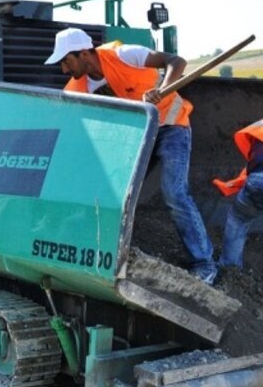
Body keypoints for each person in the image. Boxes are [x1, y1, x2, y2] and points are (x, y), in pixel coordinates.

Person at [45, 28, 218, 284]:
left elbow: (176, 61)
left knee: (174, 192)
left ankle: (204, 263)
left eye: (66, 61)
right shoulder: (76, 89)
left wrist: (164, 87)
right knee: (114, 194)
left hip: (171, 124)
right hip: (137, 138)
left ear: (84, 53)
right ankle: (108, 255)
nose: (64, 70)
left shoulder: (125, 55)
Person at [213, 119, 263, 269]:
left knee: (239, 220)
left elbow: (255, 166)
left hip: (257, 181)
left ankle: (229, 269)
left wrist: (236, 183)